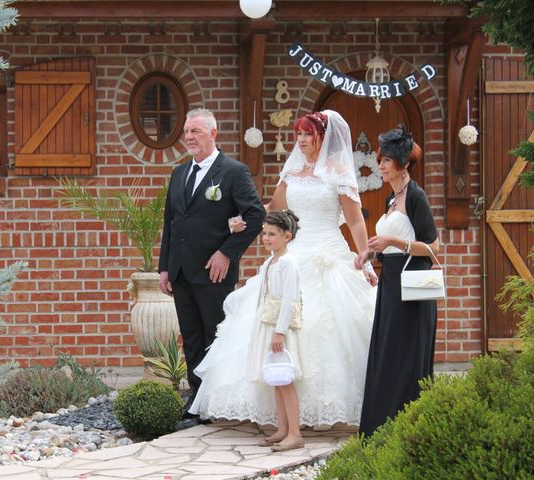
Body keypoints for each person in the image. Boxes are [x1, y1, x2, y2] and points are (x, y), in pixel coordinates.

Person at [190, 110, 377, 428]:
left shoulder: (338, 172)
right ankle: (277, 414)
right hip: (292, 253)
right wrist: (243, 219)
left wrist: (366, 258)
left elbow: (356, 220)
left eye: (307, 135)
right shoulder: (292, 172)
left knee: (326, 328)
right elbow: (273, 209)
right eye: (298, 135)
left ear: (323, 137)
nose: (301, 141)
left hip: (327, 253)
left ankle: (327, 408)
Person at [158, 108, 265, 418]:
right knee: (190, 336)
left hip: (213, 271)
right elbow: (171, 222)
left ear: (213, 134)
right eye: (187, 132)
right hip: (180, 271)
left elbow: (255, 215)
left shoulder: (233, 172)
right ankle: (196, 399)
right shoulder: (179, 174)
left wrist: (226, 253)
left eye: (196, 131)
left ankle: (217, 400)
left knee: (215, 336)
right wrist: (164, 267)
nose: (189, 137)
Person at [354, 125, 439, 438]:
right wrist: (367, 254)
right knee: (388, 352)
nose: (380, 165)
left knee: (406, 355)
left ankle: (410, 429)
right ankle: (381, 429)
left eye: (386, 159)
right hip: (390, 283)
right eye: (380, 159)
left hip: (412, 288)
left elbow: (434, 247)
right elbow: (392, 241)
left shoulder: (415, 196)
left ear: (402, 162)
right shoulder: (392, 197)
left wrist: (393, 240)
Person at [248, 210, 304, 451]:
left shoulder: (289, 263)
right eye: (264, 233)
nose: (266, 238)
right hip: (268, 323)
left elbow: (290, 299)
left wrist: (279, 331)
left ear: (287, 236)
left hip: (281, 327)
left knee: (285, 379)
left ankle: (295, 433)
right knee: (276, 378)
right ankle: (282, 428)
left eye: (272, 234)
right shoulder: (270, 262)